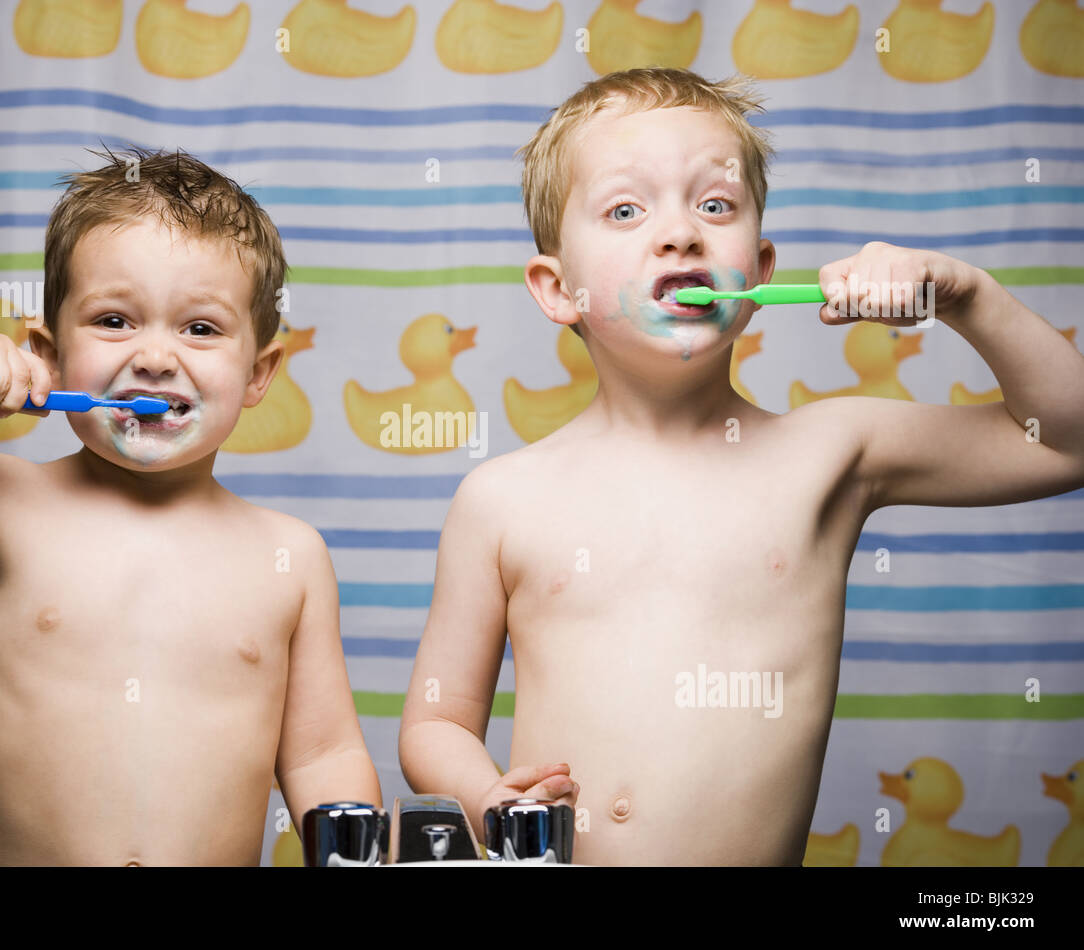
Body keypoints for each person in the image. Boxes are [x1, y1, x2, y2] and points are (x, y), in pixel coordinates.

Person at [397, 68, 1084, 864]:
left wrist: (970, 297)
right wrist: (489, 800)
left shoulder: (831, 453)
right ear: (559, 289)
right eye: (626, 209)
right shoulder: (502, 498)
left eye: (714, 205)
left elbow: (1061, 439)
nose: (680, 233)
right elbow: (437, 723)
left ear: (758, 273)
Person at [0, 147, 381, 865]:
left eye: (200, 329)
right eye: (114, 321)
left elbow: (323, 756)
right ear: (50, 354)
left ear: (257, 374)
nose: (157, 357)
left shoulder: (290, 556)